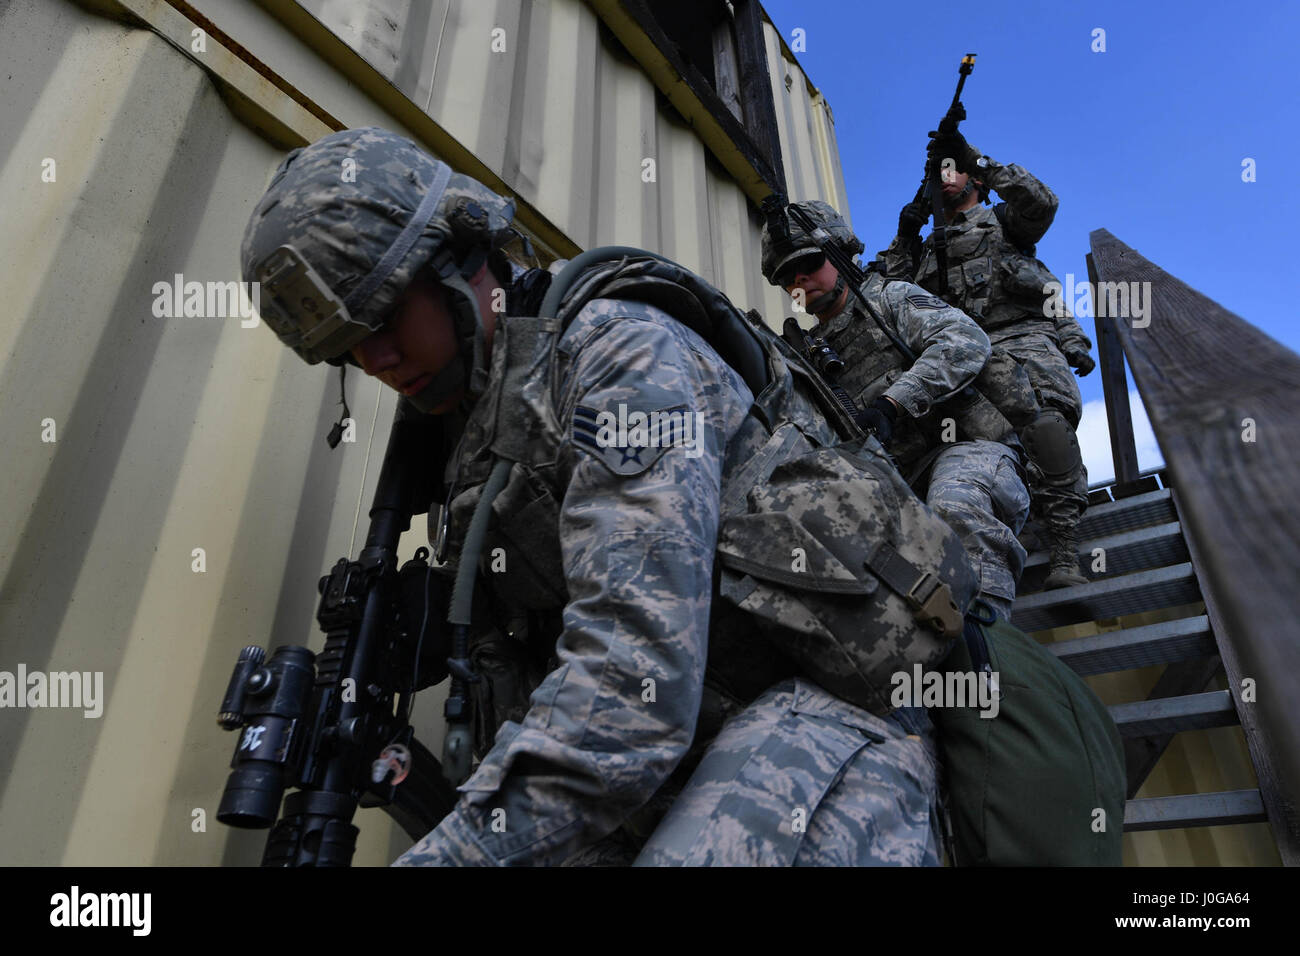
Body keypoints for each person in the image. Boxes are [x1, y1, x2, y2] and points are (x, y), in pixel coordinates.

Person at [240, 127, 967, 866]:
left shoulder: (617, 354)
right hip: (680, 756)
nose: (378, 360)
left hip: (826, 707)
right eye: (350, 345)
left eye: (386, 315)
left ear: (456, 258)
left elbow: (633, 683)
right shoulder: (473, 442)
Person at [761, 201, 1030, 621]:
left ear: (837, 255)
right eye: (786, 276)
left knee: (954, 508)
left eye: (809, 263)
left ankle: (990, 637)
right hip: (895, 482)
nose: (799, 279)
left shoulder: (890, 299)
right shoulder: (807, 356)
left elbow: (963, 342)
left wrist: (892, 402)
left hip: (966, 447)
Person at [879, 128, 1094, 588]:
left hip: (1020, 340)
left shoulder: (1002, 223)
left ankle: (1064, 548)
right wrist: (904, 234)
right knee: (975, 450)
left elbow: (1042, 203)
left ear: (974, 179)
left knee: (1047, 431)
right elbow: (882, 295)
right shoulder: (922, 248)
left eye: (955, 170)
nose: (947, 177)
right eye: (940, 173)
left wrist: (977, 157)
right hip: (957, 355)